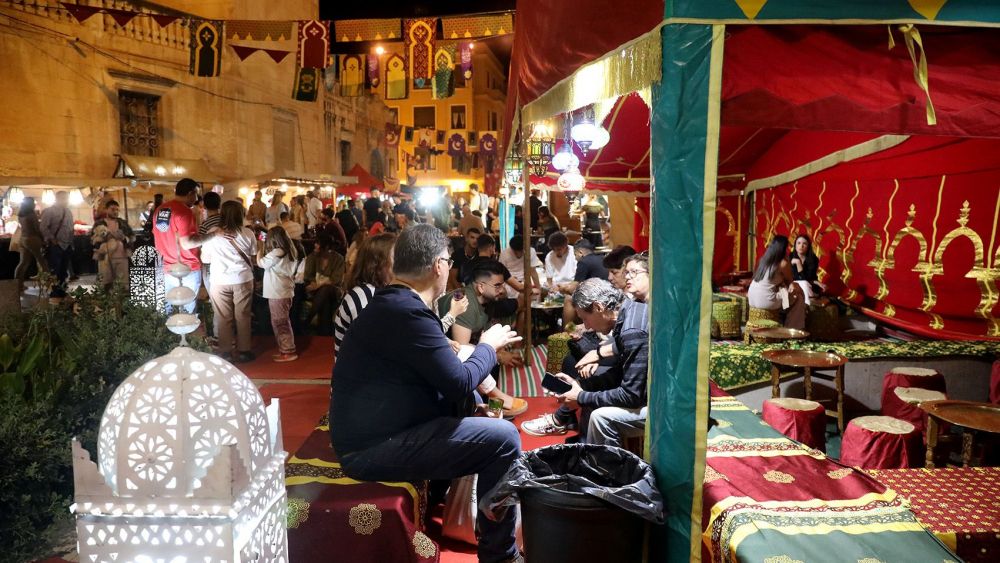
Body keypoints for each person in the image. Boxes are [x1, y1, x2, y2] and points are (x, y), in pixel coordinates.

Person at [331, 224, 523, 563]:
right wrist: (488, 347)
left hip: (379, 432)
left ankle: (443, 494)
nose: (449, 268)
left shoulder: (396, 304)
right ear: (438, 265)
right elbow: (458, 381)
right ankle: (500, 555)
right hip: (371, 449)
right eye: (448, 261)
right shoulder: (405, 312)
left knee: (474, 400)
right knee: (505, 438)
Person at [522, 278, 649, 447]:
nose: (587, 326)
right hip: (646, 390)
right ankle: (586, 450)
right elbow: (618, 373)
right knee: (588, 391)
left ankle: (604, 467)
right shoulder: (629, 314)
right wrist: (581, 386)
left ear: (598, 307)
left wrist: (581, 396)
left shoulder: (632, 331)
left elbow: (631, 396)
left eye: (585, 319)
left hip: (659, 403)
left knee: (597, 413)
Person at [438, 261, 529, 417]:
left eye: (503, 285)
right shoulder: (464, 302)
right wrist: (498, 355)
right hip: (444, 355)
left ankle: (492, 402)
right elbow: (462, 347)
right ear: (480, 287)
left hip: (454, 351)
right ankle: (497, 399)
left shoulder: (487, 301)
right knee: (486, 358)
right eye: (498, 286)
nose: (502, 290)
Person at [201, 201, 257, 362]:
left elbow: (205, 258)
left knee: (223, 316)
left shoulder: (213, 233)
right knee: (243, 315)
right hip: (243, 279)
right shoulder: (248, 233)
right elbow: (253, 257)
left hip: (219, 279)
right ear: (241, 214)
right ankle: (244, 351)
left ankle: (225, 352)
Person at [152, 178, 213, 314]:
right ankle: (188, 335)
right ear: (190, 193)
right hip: (187, 268)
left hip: (165, 267)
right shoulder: (184, 211)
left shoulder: (160, 210)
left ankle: (164, 335)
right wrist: (212, 236)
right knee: (187, 312)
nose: (196, 199)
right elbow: (187, 243)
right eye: (196, 194)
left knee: (165, 311)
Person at [333, 232, 397, 355]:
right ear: (377, 264)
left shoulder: (386, 292)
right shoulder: (362, 295)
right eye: (397, 257)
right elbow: (376, 345)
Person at [258, 225, 301, 363]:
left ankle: (288, 350)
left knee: (280, 322)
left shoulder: (277, 252)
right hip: (285, 290)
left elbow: (261, 263)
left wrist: (260, 248)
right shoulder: (290, 250)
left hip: (277, 292)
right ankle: (284, 349)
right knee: (281, 321)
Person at [748, 235, 806, 330]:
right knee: (798, 297)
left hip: (752, 298)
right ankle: (792, 330)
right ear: (782, 249)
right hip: (767, 301)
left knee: (783, 289)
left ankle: (782, 320)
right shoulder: (783, 263)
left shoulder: (764, 260)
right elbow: (790, 282)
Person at [304, 233, 346, 336]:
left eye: (318, 245)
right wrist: (314, 284)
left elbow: (336, 280)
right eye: (315, 244)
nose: (315, 247)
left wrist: (319, 285)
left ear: (326, 247)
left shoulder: (338, 259)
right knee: (325, 301)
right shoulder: (312, 257)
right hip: (316, 291)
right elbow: (308, 276)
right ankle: (324, 333)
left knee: (326, 289)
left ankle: (308, 318)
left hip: (334, 290)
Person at [91, 200, 133, 290]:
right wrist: (103, 238)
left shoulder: (123, 223)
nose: (115, 212)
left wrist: (124, 238)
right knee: (106, 283)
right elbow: (92, 240)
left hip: (122, 256)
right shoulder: (99, 223)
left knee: (123, 284)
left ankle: (122, 303)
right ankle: (107, 303)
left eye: (117, 210)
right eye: (112, 209)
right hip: (104, 258)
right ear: (106, 210)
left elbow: (132, 237)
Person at [40, 190, 75, 298]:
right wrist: (51, 238)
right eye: (63, 198)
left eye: (67, 198)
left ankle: (62, 290)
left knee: (63, 271)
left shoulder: (68, 211)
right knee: (55, 270)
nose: (66, 200)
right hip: (56, 245)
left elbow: (70, 227)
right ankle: (54, 293)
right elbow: (43, 227)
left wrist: (72, 242)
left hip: (67, 244)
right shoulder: (49, 211)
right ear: (57, 198)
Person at [13, 197, 48, 293]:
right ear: (30, 204)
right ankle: (50, 285)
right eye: (33, 202)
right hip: (32, 238)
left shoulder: (20, 214)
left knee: (22, 263)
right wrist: (43, 239)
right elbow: (37, 228)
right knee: (42, 262)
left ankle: (18, 285)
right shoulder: (31, 214)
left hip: (23, 239)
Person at [498, 235, 543, 299]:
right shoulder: (504, 254)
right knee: (521, 297)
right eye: (515, 252)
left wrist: (539, 289)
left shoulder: (531, 251)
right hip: (510, 282)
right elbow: (500, 274)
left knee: (535, 295)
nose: (518, 255)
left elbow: (533, 272)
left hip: (525, 281)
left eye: (521, 252)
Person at [790, 234, 824, 304]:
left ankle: (807, 305)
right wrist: (815, 281)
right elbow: (791, 277)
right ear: (795, 245)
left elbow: (804, 278)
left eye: (804, 244)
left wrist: (798, 263)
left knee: (804, 283)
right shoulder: (789, 257)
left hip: (810, 287)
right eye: (798, 243)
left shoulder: (813, 259)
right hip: (794, 286)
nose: (801, 246)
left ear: (808, 246)